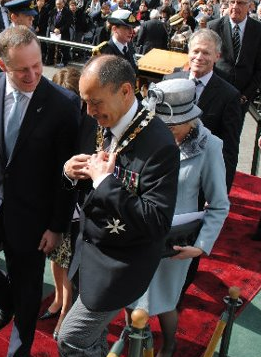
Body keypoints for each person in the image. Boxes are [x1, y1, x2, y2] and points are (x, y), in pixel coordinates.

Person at [0, 25, 80, 357]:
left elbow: (67, 175)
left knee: (29, 288)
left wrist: (57, 226)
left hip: (33, 216)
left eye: (37, 65)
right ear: (2, 66)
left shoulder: (64, 105)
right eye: (22, 69)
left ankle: (19, 350)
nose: (33, 75)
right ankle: (6, 300)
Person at [58, 54, 180, 357]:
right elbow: (90, 181)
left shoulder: (159, 144)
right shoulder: (99, 119)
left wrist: (104, 183)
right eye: (86, 102)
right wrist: (70, 173)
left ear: (126, 91)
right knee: (91, 340)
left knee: (70, 339)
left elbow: (156, 221)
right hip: (87, 252)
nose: (89, 111)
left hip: (120, 264)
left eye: (96, 102)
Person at [127, 78, 229, 357]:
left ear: (190, 119)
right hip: (138, 231)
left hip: (173, 244)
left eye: (169, 124)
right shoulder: (145, 133)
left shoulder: (209, 146)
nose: (161, 129)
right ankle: (135, 342)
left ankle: (169, 345)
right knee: (131, 296)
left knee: (164, 300)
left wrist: (201, 245)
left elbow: (219, 204)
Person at [166, 29, 241, 190]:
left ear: (217, 57)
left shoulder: (229, 96)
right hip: (165, 173)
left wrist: (219, 189)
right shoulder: (169, 82)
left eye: (206, 53)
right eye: (196, 51)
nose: (199, 57)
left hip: (200, 181)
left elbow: (229, 149)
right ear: (188, 52)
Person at [41, 67, 83, 340]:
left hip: (75, 207)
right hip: (52, 202)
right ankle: (57, 298)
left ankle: (67, 309)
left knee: (68, 263)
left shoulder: (86, 125)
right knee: (56, 259)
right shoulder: (50, 116)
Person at [207, 0, 261, 118]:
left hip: (241, 99)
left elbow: (259, 69)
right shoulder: (214, 27)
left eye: (240, 3)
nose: (235, 6)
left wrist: (246, 95)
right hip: (215, 95)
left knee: (232, 137)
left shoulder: (258, 31)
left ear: (250, 5)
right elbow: (208, 62)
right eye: (232, 2)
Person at [0, 0, 37, 73]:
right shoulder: (3, 41)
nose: (32, 18)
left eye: (32, 15)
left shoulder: (31, 32)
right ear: (14, 17)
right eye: (28, 16)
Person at [94, 9, 139, 74]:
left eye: (132, 27)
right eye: (126, 28)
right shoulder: (104, 51)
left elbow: (135, 71)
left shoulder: (129, 46)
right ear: (114, 29)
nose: (131, 31)